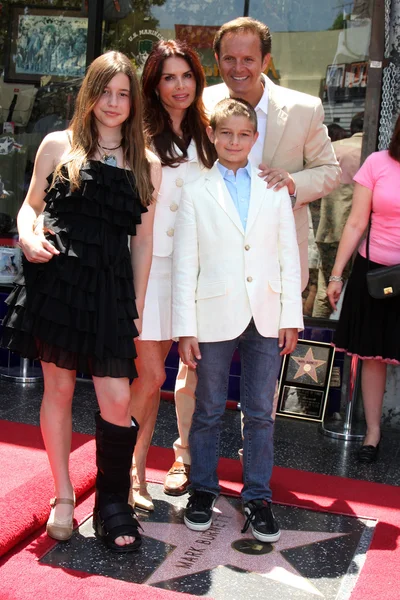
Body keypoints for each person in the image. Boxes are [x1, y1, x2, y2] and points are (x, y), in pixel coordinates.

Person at [165, 16, 341, 492]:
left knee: (260, 395)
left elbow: (329, 171)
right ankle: (187, 457)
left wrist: (291, 184)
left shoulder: (304, 108)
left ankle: (253, 469)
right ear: (217, 60)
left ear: (266, 60)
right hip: (213, 270)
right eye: (228, 59)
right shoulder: (200, 103)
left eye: (248, 58)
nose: (238, 68)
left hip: (273, 266)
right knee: (195, 373)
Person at [0, 51, 161, 552]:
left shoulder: (146, 163)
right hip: (58, 286)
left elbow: (145, 245)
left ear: (134, 102)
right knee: (60, 389)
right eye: (104, 91)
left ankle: (112, 501)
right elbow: (30, 207)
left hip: (111, 293)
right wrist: (26, 238)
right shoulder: (57, 145)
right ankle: (63, 496)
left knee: (116, 396)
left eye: (123, 94)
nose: (113, 103)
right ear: (88, 93)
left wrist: (132, 307)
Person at [172, 98, 303, 542]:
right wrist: (184, 327)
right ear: (211, 135)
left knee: (261, 411)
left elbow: (288, 254)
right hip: (213, 314)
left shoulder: (272, 189)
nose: (233, 141)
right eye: (225, 133)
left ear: (254, 137)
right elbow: (185, 262)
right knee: (208, 408)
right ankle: (204, 489)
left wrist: (291, 316)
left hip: (266, 314)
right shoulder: (196, 190)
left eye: (243, 134)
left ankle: (258, 497)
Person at [128, 40, 216, 510]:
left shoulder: (211, 133)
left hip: (201, 272)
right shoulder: (137, 134)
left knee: (192, 372)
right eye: (168, 77)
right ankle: (134, 470)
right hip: (153, 268)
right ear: (154, 84)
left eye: (186, 76)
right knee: (147, 376)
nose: (179, 86)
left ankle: (186, 461)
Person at [327, 113, 400, 464]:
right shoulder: (377, 163)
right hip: (375, 275)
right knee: (373, 356)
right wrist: (337, 274)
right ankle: (372, 434)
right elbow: (356, 221)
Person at [313, 112, 364, 318]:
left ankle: (316, 339)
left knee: (325, 287)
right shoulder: (372, 153)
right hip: (357, 235)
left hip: (326, 229)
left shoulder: (332, 149)